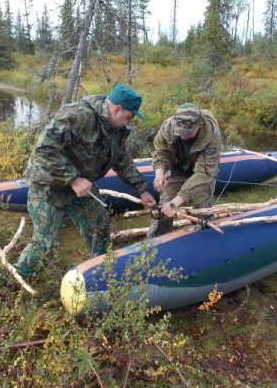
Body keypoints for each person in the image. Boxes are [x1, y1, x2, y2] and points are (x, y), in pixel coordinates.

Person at [13, 84, 156, 278]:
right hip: (50, 183)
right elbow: (44, 151)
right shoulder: (79, 115)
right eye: (129, 117)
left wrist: (142, 190)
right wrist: (73, 179)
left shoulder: (115, 129)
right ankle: (17, 278)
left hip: (81, 186)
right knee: (45, 243)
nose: (128, 123)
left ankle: (102, 271)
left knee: (98, 222)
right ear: (116, 110)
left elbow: (121, 160)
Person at [148, 103, 222, 238]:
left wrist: (175, 203)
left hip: (201, 173)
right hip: (177, 169)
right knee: (163, 208)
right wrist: (159, 173)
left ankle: (203, 240)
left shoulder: (211, 135)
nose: (183, 137)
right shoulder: (168, 127)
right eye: (180, 132)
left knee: (202, 209)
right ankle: (155, 242)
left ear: (199, 124)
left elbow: (204, 174)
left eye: (187, 133)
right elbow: (161, 152)